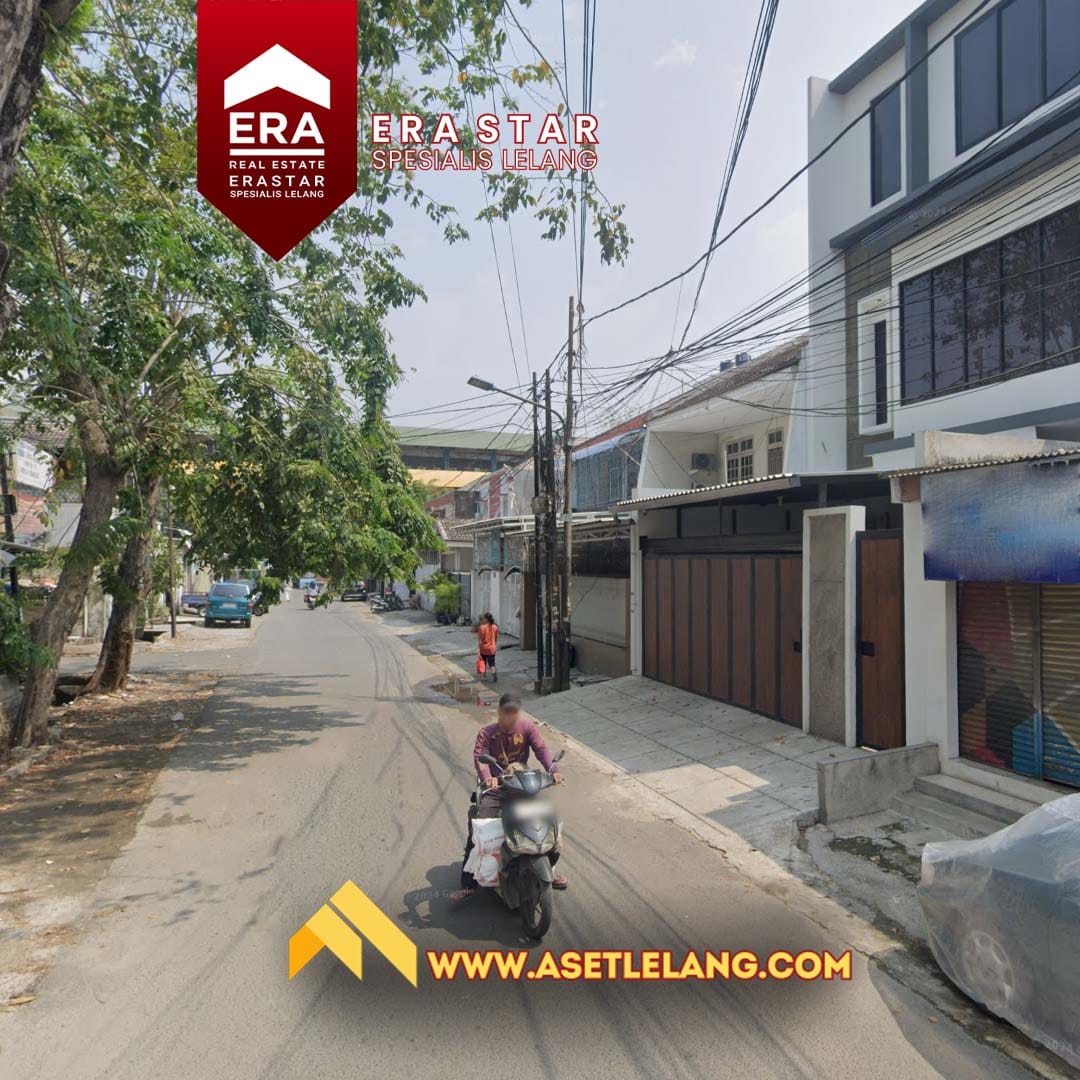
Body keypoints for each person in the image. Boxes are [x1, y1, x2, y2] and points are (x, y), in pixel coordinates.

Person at [452, 692, 567, 901]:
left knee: (547, 822)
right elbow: (480, 758)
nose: (511, 716)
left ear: (519, 712)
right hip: (497, 789)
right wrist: (488, 779)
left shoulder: (528, 728)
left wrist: (553, 770)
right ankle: (468, 884)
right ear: (499, 712)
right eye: (507, 712)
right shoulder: (487, 733)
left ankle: (549, 868)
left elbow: (541, 749)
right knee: (480, 825)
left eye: (514, 712)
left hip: (523, 786)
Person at [476, 612, 498, 683]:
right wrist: (494, 645)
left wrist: (478, 649)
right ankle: (494, 673)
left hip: (483, 649)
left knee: (483, 663)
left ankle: (483, 677)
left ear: (486, 619)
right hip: (492, 649)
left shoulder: (481, 628)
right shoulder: (495, 627)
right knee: (492, 664)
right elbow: (496, 638)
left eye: (483, 618)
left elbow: (480, 640)